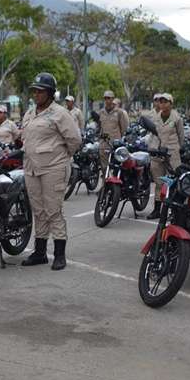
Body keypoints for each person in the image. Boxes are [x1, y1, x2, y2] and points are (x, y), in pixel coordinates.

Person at [20, 72, 82, 271]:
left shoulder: (60, 113)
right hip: (31, 168)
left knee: (54, 211)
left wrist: (60, 157)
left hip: (53, 168)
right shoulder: (30, 112)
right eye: (34, 91)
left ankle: (59, 254)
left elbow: (75, 140)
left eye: (41, 91)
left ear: (50, 93)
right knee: (38, 211)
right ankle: (39, 252)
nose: (36, 94)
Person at [146, 93, 185, 219]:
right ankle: (157, 210)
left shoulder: (177, 118)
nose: (162, 104)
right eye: (161, 101)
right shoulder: (155, 117)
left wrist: (181, 149)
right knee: (159, 182)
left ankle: (175, 210)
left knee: (175, 181)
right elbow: (151, 134)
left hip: (172, 152)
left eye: (165, 101)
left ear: (171, 104)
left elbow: (181, 135)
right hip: (157, 152)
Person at [97, 90, 129, 174]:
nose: (107, 100)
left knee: (115, 167)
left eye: (109, 98)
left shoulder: (119, 112)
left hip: (115, 144)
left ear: (112, 99)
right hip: (104, 144)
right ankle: (104, 185)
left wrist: (119, 139)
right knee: (104, 167)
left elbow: (124, 128)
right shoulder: (101, 112)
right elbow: (99, 127)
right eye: (105, 98)